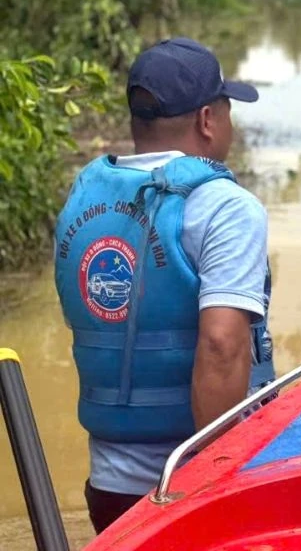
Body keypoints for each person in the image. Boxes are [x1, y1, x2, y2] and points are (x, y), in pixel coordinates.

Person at [53, 37, 276, 534]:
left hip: (108, 484)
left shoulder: (84, 196)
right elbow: (221, 345)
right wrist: (212, 482)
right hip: (186, 484)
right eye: (227, 110)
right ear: (206, 120)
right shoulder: (225, 207)